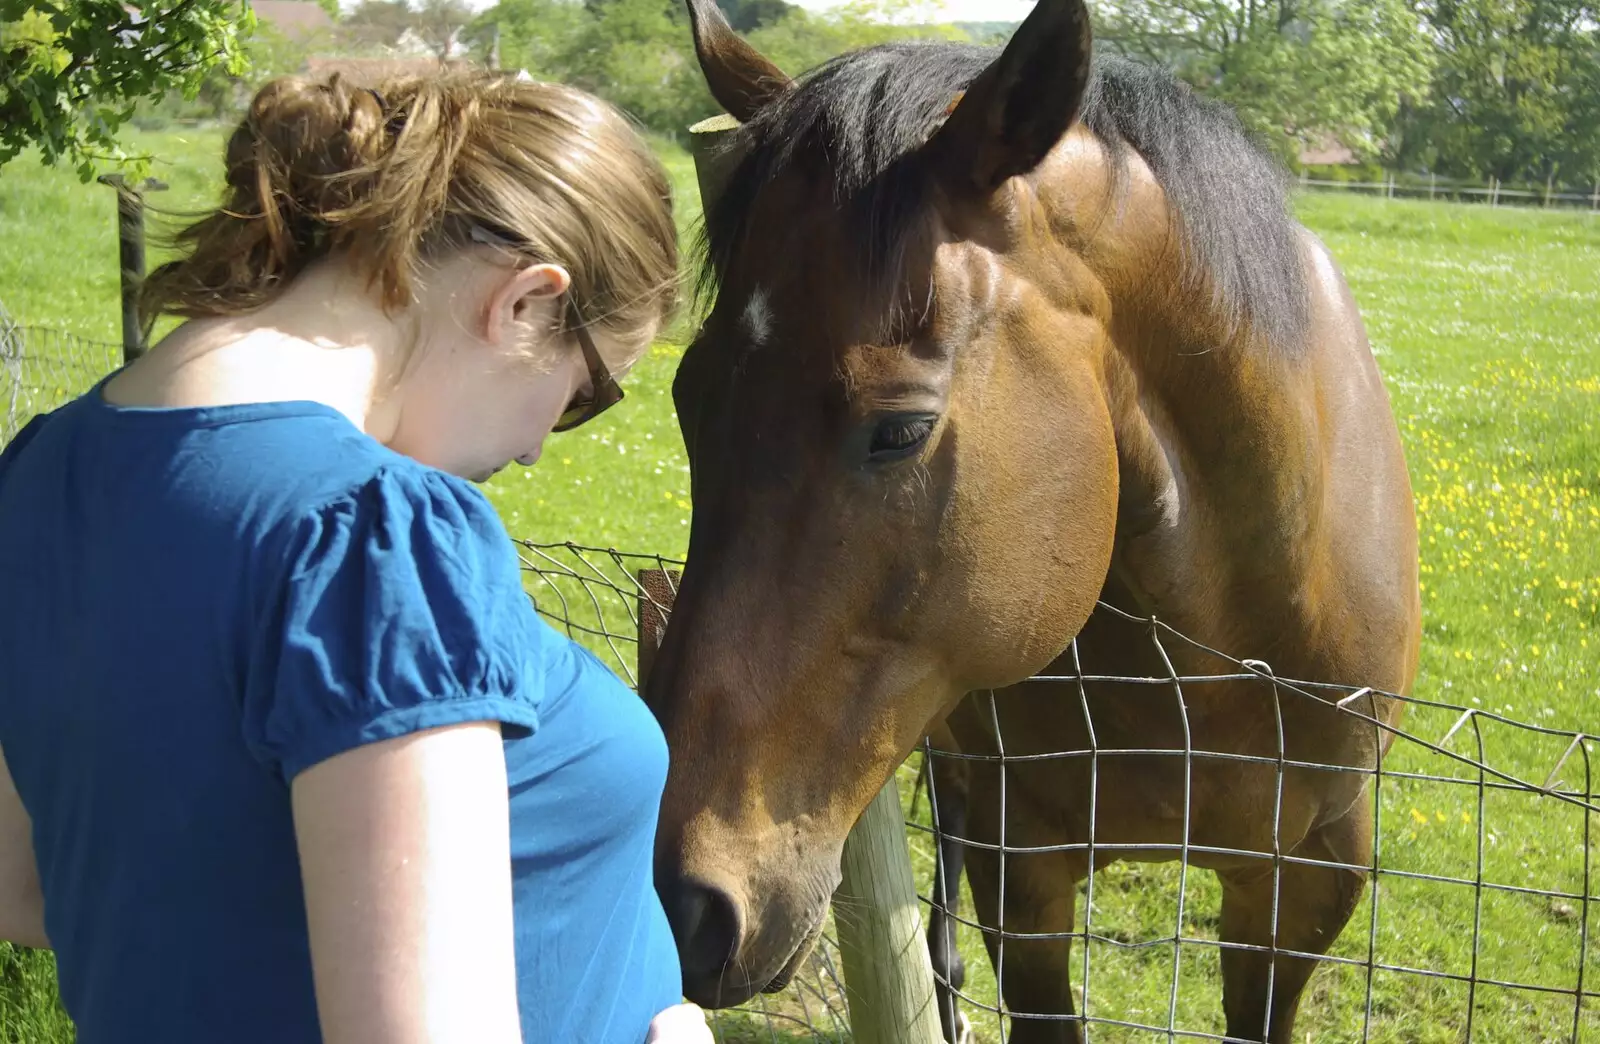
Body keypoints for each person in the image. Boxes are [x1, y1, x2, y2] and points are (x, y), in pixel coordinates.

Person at [0, 69, 711, 1044]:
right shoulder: (376, 537)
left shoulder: (44, 468)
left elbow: (25, 889)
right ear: (525, 303)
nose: (542, 445)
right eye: (584, 395)